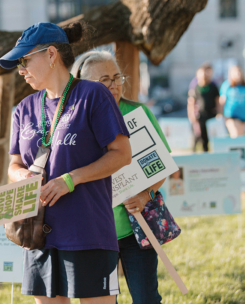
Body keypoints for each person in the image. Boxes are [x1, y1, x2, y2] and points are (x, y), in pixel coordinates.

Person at [0, 23, 131, 304]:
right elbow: (13, 164)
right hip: (35, 235)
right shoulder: (23, 109)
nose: (20, 70)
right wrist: (21, 175)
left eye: (24, 60)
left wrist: (71, 179)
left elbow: (121, 153)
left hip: (87, 232)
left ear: (50, 54)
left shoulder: (94, 95)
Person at [71, 50, 170, 304]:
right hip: (93, 232)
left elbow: (161, 165)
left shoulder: (138, 112)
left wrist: (145, 194)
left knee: (146, 298)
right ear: (83, 84)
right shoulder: (72, 121)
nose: (113, 85)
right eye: (104, 79)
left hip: (135, 227)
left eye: (117, 77)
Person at [187, 63, 220, 152]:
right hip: (200, 115)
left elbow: (217, 100)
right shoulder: (195, 87)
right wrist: (192, 115)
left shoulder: (213, 86)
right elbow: (191, 102)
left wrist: (219, 112)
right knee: (199, 136)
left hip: (211, 114)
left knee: (211, 136)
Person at [220, 65, 245, 138]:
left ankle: (239, 149)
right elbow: (222, 100)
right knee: (235, 135)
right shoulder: (227, 85)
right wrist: (220, 113)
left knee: (241, 136)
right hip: (231, 114)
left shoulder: (244, 85)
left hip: (243, 114)